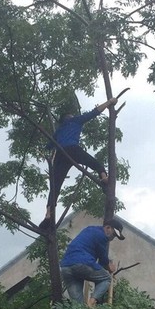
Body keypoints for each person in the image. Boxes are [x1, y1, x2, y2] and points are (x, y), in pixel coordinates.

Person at [40, 98, 118, 228]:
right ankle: (104, 177)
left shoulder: (59, 130)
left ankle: (48, 213)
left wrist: (49, 150)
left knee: (56, 186)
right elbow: (94, 112)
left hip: (60, 154)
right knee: (94, 163)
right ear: (68, 117)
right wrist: (109, 102)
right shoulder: (75, 121)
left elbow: (48, 145)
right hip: (72, 149)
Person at [60, 218, 125, 307]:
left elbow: (99, 262)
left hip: (66, 267)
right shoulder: (102, 236)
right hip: (81, 263)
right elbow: (103, 260)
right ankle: (91, 304)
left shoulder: (90, 229)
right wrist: (110, 267)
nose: (112, 238)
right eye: (114, 234)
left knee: (77, 306)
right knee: (106, 279)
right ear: (108, 227)